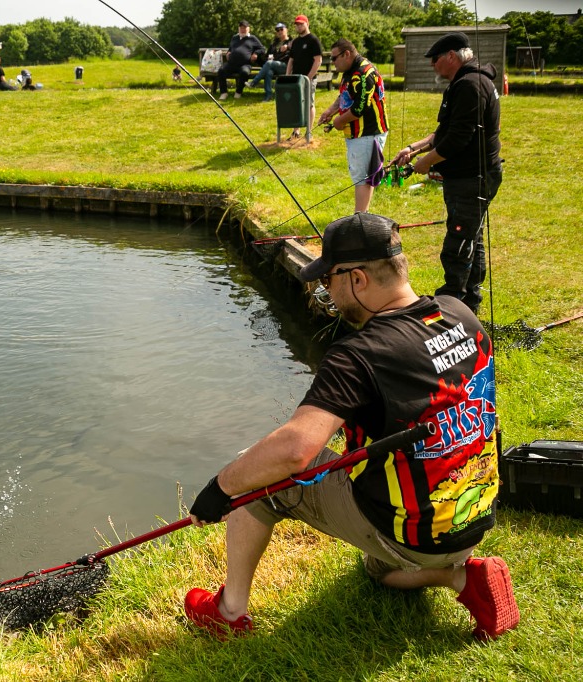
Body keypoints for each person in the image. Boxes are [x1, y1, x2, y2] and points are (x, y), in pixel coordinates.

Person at [183, 212, 518, 642]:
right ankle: (462, 576)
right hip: (474, 517)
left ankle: (228, 611)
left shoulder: (358, 354)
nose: (327, 291)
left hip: (414, 533)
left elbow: (294, 450)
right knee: (380, 571)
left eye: (328, 280)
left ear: (357, 278)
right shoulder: (459, 312)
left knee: (256, 469)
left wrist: (222, 487)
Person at [391, 32, 502, 315]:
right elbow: (444, 131)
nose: (432, 65)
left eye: (435, 59)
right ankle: (469, 302)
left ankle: (453, 302)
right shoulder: (463, 83)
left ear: (451, 56)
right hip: (466, 178)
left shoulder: (470, 85)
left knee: (458, 242)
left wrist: (426, 163)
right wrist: (413, 149)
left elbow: (457, 139)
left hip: (473, 178)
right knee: (471, 239)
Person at [318, 40, 389, 213]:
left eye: (334, 58)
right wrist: (331, 111)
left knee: (362, 178)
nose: (333, 62)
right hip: (357, 134)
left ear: (346, 54)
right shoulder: (349, 71)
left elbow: (359, 108)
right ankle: (361, 216)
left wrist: (339, 121)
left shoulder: (364, 73)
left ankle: (359, 218)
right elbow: (345, 95)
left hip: (368, 133)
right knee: (361, 176)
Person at [285, 15, 323, 138]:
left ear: (307, 24)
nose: (299, 26)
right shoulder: (295, 42)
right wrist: (287, 75)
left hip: (308, 78)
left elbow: (318, 60)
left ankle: (308, 132)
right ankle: (296, 131)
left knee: (309, 104)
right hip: (296, 78)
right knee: (296, 104)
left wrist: (309, 77)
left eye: (301, 24)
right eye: (297, 24)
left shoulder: (313, 40)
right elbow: (291, 60)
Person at [217, 21, 265, 101]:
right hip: (232, 64)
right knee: (221, 71)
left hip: (245, 64)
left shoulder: (252, 38)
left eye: (244, 28)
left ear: (248, 29)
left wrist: (255, 53)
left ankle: (238, 92)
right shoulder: (234, 37)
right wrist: (228, 52)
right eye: (241, 28)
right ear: (238, 29)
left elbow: (262, 49)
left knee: (245, 73)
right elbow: (231, 48)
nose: (242, 30)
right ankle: (224, 92)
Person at [248, 23, 291, 102]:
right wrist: (265, 57)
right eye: (277, 30)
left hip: (286, 66)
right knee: (268, 72)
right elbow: (267, 55)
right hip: (274, 66)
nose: (279, 31)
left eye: (281, 29)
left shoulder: (291, 42)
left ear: (286, 30)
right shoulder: (274, 44)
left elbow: (292, 55)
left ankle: (254, 82)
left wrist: (287, 48)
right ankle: (268, 95)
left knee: (269, 63)